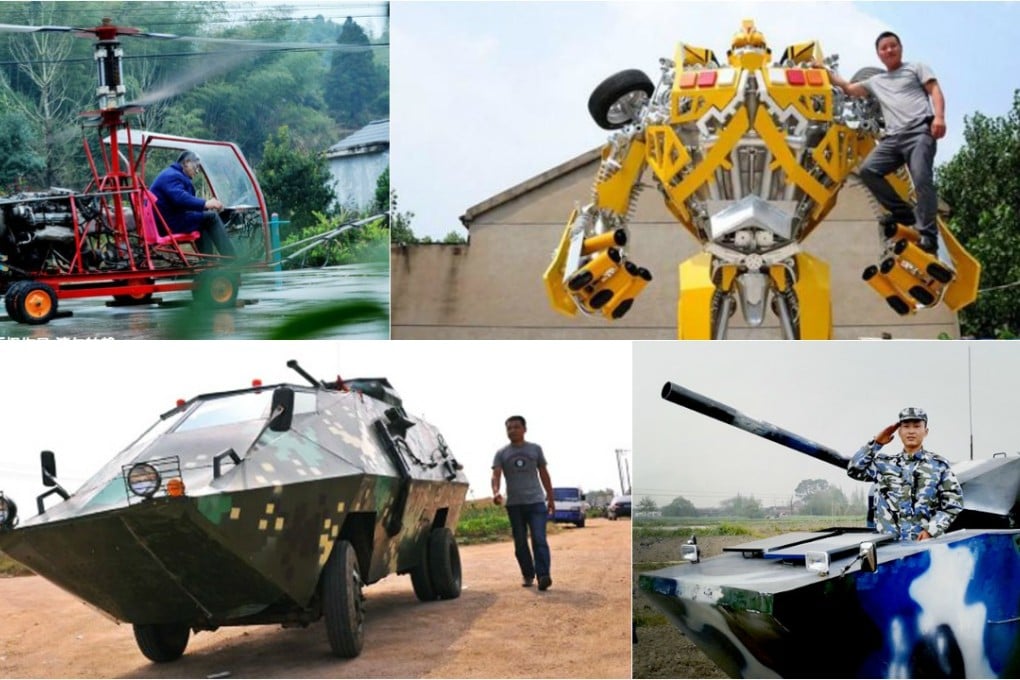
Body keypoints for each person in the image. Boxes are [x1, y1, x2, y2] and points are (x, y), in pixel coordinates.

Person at [825, 31, 946, 256]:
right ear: (879, 54)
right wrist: (825, 72)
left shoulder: (916, 68)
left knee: (921, 178)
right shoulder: (876, 81)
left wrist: (939, 117)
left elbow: (935, 91)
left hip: (919, 131)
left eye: (893, 46)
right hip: (893, 139)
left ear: (900, 48)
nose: (889, 50)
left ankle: (928, 235)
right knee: (869, 170)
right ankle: (903, 214)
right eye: (884, 48)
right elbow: (850, 89)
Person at [847, 407, 963, 541]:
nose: (911, 431)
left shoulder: (938, 466)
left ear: (925, 432)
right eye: (906, 426)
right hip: (888, 547)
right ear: (900, 432)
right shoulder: (883, 465)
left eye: (917, 426)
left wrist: (931, 530)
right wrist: (876, 443)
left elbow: (953, 504)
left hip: (924, 546)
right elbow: (853, 469)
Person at [491, 415, 556, 591]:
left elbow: (544, 474)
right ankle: (528, 574)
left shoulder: (535, 449)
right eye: (509, 428)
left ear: (524, 429)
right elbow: (495, 475)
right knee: (520, 542)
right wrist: (496, 492)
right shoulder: (501, 453)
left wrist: (550, 498)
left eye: (516, 427)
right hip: (514, 504)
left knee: (539, 538)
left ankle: (543, 575)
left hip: (535, 502)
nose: (512, 431)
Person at [148, 150, 236, 257]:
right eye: (196, 167)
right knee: (211, 217)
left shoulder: (172, 174)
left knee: (202, 220)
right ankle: (232, 259)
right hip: (168, 224)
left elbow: (182, 201)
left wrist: (204, 207)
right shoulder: (172, 175)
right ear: (187, 162)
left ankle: (209, 263)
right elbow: (180, 198)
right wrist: (206, 203)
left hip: (167, 221)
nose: (197, 171)